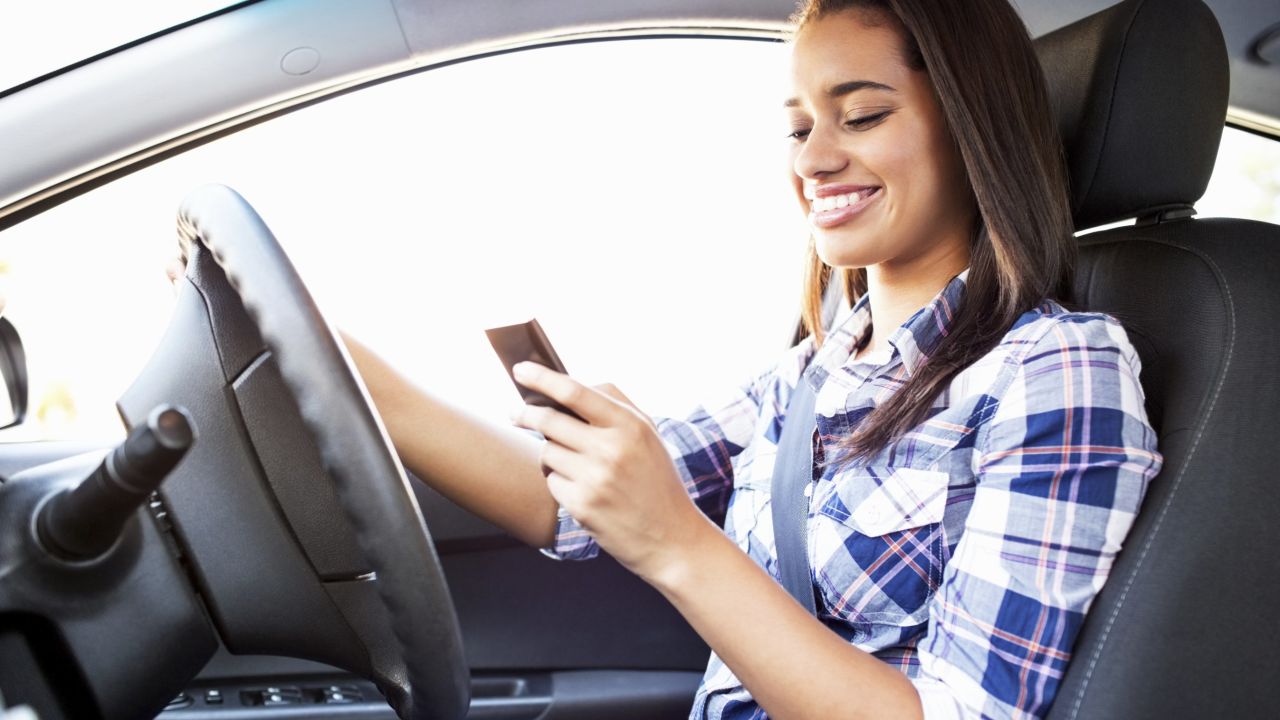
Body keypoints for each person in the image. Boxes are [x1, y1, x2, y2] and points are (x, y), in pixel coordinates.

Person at [210, 0, 1162, 717]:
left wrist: (676, 542)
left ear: (972, 128)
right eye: (798, 128)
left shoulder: (1055, 372)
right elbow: (562, 505)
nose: (813, 159)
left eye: (860, 116)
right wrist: (320, 341)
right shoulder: (817, 369)